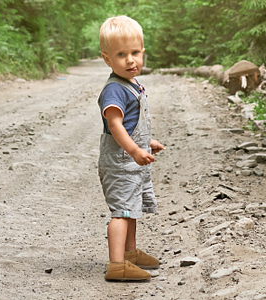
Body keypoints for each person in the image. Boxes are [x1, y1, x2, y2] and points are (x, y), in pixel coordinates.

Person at [98, 15, 165, 281]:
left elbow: (131, 124)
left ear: (143, 53)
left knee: (132, 207)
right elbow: (115, 126)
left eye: (135, 53)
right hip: (120, 161)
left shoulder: (132, 83)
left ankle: (130, 252)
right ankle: (116, 265)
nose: (130, 60)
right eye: (121, 54)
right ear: (107, 59)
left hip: (130, 159)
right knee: (122, 212)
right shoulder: (114, 90)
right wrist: (135, 151)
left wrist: (146, 142)